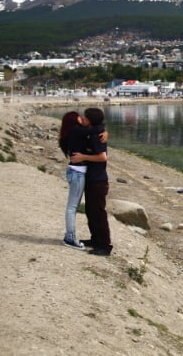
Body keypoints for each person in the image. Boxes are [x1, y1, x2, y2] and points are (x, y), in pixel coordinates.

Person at [58, 111, 107, 250]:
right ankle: (70, 237)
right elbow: (95, 129)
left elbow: (93, 130)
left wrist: (105, 132)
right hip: (77, 172)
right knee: (72, 207)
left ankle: (71, 236)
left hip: (77, 172)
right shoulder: (75, 131)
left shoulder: (73, 132)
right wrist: (104, 131)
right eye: (80, 117)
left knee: (73, 207)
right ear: (75, 120)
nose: (82, 118)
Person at [71, 107, 112, 256]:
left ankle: (105, 246)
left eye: (85, 117)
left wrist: (83, 157)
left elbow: (102, 157)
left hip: (98, 180)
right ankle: (95, 239)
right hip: (92, 178)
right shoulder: (95, 132)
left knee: (98, 213)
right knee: (90, 211)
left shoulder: (97, 136)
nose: (82, 118)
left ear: (90, 120)